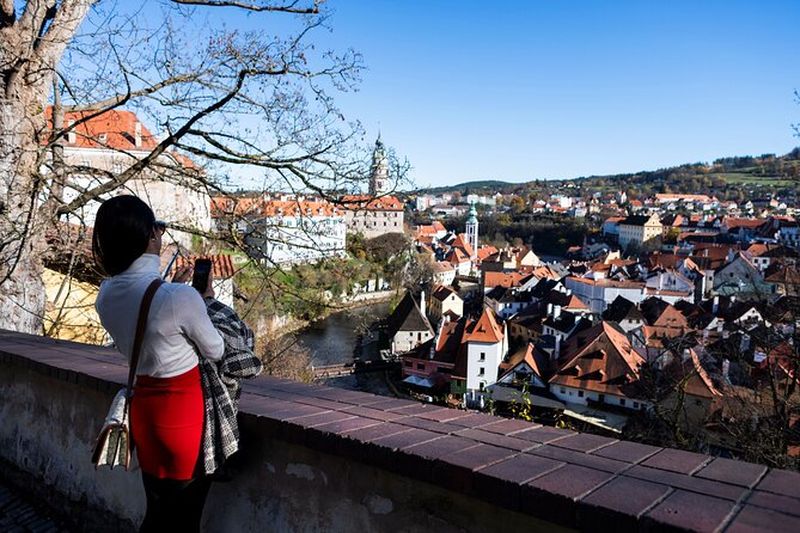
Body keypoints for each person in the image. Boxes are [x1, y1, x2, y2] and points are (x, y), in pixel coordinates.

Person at [93, 195, 224, 532]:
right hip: (183, 420)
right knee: (185, 520)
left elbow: (147, 317)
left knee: (157, 513)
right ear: (151, 236)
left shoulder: (105, 295)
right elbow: (216, 350)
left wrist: (175, 290)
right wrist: (204, 299)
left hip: (145, 415)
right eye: (158, 229)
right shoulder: (179, 298)